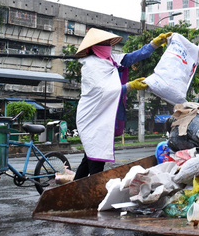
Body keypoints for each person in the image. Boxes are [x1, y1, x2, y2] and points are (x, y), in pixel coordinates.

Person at [73, 28, 173, 179]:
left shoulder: (112, 60)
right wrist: (130, 86)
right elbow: (102, 93)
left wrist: (154, 44)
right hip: (91, 117)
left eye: (109, 43)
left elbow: (134, 56)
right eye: (104, 43)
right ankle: (94, 194)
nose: (109, 46)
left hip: (103, 118)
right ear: (94, 47)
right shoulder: (91, 65)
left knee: (90, 158)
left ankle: (74, 191)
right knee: (96, 162)